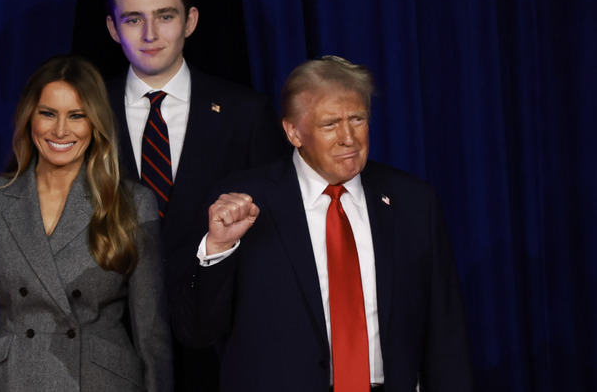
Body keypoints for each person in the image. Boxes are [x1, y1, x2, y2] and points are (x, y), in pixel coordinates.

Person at [172, 56, 474, 391]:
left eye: (357, 119)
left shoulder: (413, 202)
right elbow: (196, 331)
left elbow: (446, 334)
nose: (349, 138)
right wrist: (217, 250)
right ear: (293, 132)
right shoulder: (244, 202)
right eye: (330, 124)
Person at [103, 0, 286, 390]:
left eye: (165, 16)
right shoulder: (84, 113)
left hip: (219, 347)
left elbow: (275, 232)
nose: (150, 35)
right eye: (133, 19)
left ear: (190, 21)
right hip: (109, 347)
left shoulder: (245, 113)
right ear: (113, 28)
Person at [0, 55, 172, 392]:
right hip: (13, 379)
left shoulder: (130, 203)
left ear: (94, 122)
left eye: (76, 116)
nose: (60, 130)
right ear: (29, 117)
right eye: (48, 113)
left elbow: (151, 330)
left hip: (101, 380)